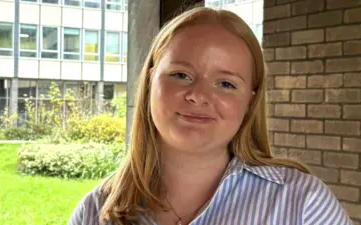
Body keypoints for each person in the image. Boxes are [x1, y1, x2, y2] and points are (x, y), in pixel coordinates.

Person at [68, 7, 354, 225]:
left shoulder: (302, 204)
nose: (198, 95)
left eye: (226, 84)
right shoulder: (94, 212)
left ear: (249, 101)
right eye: (181, 75)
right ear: (149, 82)